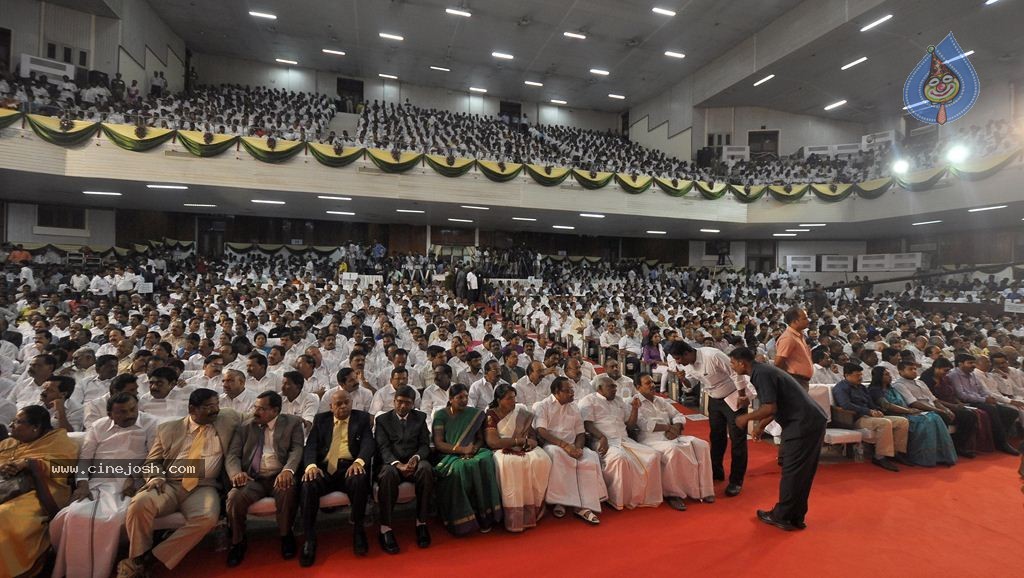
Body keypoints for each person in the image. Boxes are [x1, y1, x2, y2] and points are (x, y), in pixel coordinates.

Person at [117, 389, 242, 578]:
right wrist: (155, 477)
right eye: (208, 407)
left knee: (207, 517)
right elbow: (152, 462)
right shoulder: (168, 429)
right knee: (139, 505)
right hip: (168, 483)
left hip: (203, 486)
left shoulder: (227, 418)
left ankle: (151, 560)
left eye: (216, 404)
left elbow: (259, 414)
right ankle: (137, 557)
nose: (215, 410)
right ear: (192, 408)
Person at [51, 393, 157, 578]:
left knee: (113, 518)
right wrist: (82, 484)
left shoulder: (150, 423)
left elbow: (154, 458)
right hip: (98, 482)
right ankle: (77, 572)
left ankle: (99, 572)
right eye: (122, 412)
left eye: (132, 409)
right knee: (73, 514)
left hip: (131, 483)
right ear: (110, 414)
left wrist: (135, 479)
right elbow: (85, 459)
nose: (129, 415)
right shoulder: (98, 426)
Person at [729, 348, 827, 531]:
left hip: (802, 424)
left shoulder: (760, 374)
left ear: (742, 363)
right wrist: (760, 426)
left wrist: (746, 419)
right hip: (810, 421)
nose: (732, 367)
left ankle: (782, 516)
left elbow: (769, 408)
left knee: (792, 471)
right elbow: (777, 404)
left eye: (732, 363)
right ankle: (795, 516)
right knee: (801, 472)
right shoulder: (764, 370)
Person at [224, 391, 304, 566]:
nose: (256, 412)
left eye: (261, 408)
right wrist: (236, 473)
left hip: (279, 475)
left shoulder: (292, 423)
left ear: (275, 411)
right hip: (253, 478)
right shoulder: (244, 427)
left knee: (288, 490)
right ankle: (238, 542)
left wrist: (288, 470)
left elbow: (296, 450)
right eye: (255, 407)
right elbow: (232, 455)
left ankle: (286, 535)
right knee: (234, 497)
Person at [0, 405, 78, 577]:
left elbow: (63, 469)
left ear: (36, 427)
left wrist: (30, 464)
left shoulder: (59, 441)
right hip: (4, 488)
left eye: (19, 422)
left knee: (4, 516)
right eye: (12, 421)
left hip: (37, 491)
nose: (11, 425)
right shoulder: (8, 443)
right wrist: (4, 468)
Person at [299, 388, 375, 565]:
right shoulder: (321, 420)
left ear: (351, 402)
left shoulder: (361, 418)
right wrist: (311, 466)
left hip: (349, 467)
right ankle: (309, 538)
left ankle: (358, 529)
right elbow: (310, 446)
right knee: (308, 484)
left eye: (346, 402)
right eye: (338, 404)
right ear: (331, 407)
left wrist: (359, 462)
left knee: (360, 478)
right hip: (324, 469)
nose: (343, 407)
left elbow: (368, 443)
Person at [667, 341, 751, 496]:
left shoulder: (712, 355)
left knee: (737, 439)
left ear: (687, 353)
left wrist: (742, 395)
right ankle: (716, 470)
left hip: (733, 397)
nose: (678, 362)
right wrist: (683, 379)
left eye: (679, 358)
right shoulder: (689, 364)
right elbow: (691, 383)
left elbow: (735, 372)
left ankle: (736, 481)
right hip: (714, 400)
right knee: (716, 437)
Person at [578, 377, 663, 510]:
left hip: (624, 440)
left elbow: (630, 425)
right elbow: (586, 424)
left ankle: (643, 496)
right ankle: (618, 499)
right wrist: (602, 437)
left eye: (615, 387)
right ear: (600, 389)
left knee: (653, 455)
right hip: (603, 441)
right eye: (611, 387)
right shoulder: (589, 401)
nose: (614, 389)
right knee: (619, 459)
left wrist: (634, 409)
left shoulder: (619, 400)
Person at [634, 373, 715, 509]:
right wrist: (669, 427)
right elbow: (645, 425)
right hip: (651, 439)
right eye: (648, 383)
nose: (653, 385)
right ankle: (673, 494)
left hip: (672, 435)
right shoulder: (634, 402)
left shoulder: (660, 400)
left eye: (653, 382)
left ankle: (704, 489)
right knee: (673, 450)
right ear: (638, 387)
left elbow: (678, 415)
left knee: (702, 445)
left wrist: (676, 427)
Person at [532, 376, 607, 524]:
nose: (572, 393)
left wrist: (578, 448)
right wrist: (565, 446)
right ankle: (561, 501)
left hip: (573, 444)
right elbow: (542, 431)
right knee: (556, 455)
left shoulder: (574, 407)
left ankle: (584, 505)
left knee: (590, 457)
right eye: (568, 391)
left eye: (572, 390)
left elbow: (580, 432)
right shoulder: (543, 405)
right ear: (556, 392)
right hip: (554, 444)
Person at [431, 383, 503, 535]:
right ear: (450, 399)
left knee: (485, 458)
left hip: (472, 451)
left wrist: (474, 448)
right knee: (461, 468)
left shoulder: (474, 414)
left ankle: (485, 516)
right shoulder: (440, 415)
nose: (464, 400)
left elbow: (479, 439)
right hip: (449, 455)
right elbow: (438, 443)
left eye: (466, 397)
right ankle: (463, 520)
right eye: (459, 397)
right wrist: (462, 450)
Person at [484, 382, 552, 532]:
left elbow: (532, 434)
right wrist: (517, 441)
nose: (513, 401)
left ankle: (534, 509)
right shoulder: (491, 414)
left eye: (514, 398)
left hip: (523, 447)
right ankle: (514, 515)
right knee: (510, 464)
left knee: (541, 460)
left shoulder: (520, 410)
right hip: (502, 449)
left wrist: (531, 443)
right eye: (509, 398)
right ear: (498, 400)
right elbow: (492, 441)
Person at [373, 385, 433, 553]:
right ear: (393, 401)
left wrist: (416, 458)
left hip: (414, 462)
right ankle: (386, 528)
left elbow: (424, 445)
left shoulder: (420, 418)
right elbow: (383, 448)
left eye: (407, 403)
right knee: (387, 474)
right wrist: (397, 464)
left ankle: (421, 523)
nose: (402, 406)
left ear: (413, 404)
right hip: (392, 464)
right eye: (399, 402)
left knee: (426, 469)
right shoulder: (383, 420)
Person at [867, 365, 957, 467]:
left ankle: (939, 455)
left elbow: (904, 402)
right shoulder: (875, 390)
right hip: (894, 415)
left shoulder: (892, 388)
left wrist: (910, 411)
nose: (890, 376)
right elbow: (887, 405)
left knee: (934, 417)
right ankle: (922, 456)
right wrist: (909, 411)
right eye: (886, 375)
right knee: (926, 421)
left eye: (890, 374)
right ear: (879, 376)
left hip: (906, 412)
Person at [833, 363, 911, 471]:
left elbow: (870, 402)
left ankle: (895, 453)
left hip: (869, 416)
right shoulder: (841, 388)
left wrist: (876, 410)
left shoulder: (861, 387)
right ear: (847, 375)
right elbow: (846, 405)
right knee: (885, 423)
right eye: (857, 375)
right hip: (855, 418)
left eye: (861, 375)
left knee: (902, 421)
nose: (860, 377)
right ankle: (880, 457)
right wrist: (868, 411)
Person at [893, 360, 978, 458]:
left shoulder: (920, 382)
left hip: (933, 407)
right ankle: (942, 451)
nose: (914, 371)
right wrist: (939, 410)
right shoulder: (899, 385)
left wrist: (945, 409)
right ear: (901, 371)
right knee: (943, 416)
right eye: (910, 369)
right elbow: (914, 403)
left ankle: (959, 446)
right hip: (921, 411)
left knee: (969, 415)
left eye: (915, 369)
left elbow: (934, 400)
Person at [947, 353, 1021, 455]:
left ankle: (998, 438)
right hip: (966, 402)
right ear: (960, 364)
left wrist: (987, 397)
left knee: (1011, 412)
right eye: (970, 363)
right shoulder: (954, 375)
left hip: (979, 400)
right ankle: (1001, 443)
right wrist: (984, 399)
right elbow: (962, 395)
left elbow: (982, 390)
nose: (973, 365)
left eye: (973, 362)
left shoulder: (972, 374)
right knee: (991, 409)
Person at [774, 307, 814, 389]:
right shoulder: (788, 338)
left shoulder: (800, 335)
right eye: (805, 318)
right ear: (795, 321)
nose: (808, 320)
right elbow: (778, 363)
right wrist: (788, 378)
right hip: (795, 380)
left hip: (801, 381)